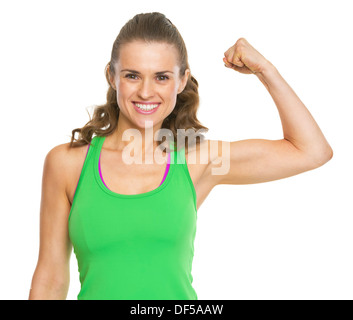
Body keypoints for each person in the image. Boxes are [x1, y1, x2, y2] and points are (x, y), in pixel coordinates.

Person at [29, 12, 333, 300]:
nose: (146, 92)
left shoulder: (197, 160)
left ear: (182, 80)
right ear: (111, 76)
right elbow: (51, 280)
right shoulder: (67, 164)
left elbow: (311, 151)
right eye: (132, 75)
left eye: (161, 77)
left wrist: (266, 70)